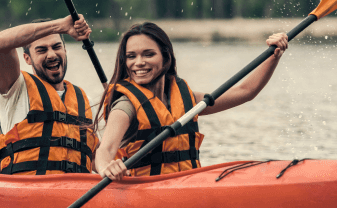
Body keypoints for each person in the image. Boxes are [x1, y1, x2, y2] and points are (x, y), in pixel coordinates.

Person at [94, 21, 288, 180]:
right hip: (147, 190)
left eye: (148, 54)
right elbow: (106, 149)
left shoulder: (187, 99)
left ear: (165, 56)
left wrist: (274, 56)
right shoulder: (125, 105)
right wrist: (107, 168)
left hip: (187, 185)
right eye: (131, 56)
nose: (139, 62)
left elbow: (245, 91)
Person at [0, 15, 99, 175]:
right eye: (42, 50)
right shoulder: (15, 89)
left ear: (65, 50)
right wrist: (61, 26)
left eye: (56, 47)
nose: (52, 54)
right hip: (28, 193)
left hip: (77, 192)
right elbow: (0, 44)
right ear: (27, 58)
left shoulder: (83, 100)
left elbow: (95, 156)